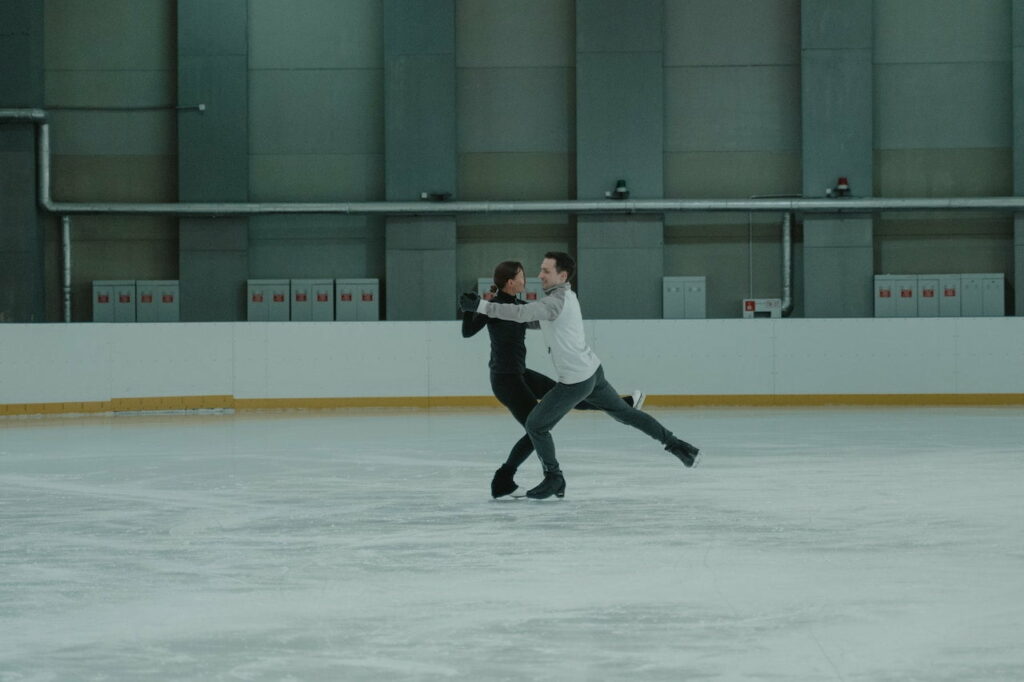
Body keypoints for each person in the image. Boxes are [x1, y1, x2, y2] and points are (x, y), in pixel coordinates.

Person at [460, 252, 700, 499]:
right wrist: (491, 310)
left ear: (562, 276)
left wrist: (480, 306)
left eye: (546, 271)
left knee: (536, 425)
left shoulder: (555, 302)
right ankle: (679, 446)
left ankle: (554, 477)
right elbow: (531, 318)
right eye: (540, 269)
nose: (539, 275)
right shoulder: (564, 297)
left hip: (575, 381)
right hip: (593, 371)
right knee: (626, 414)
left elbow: (523, 315)